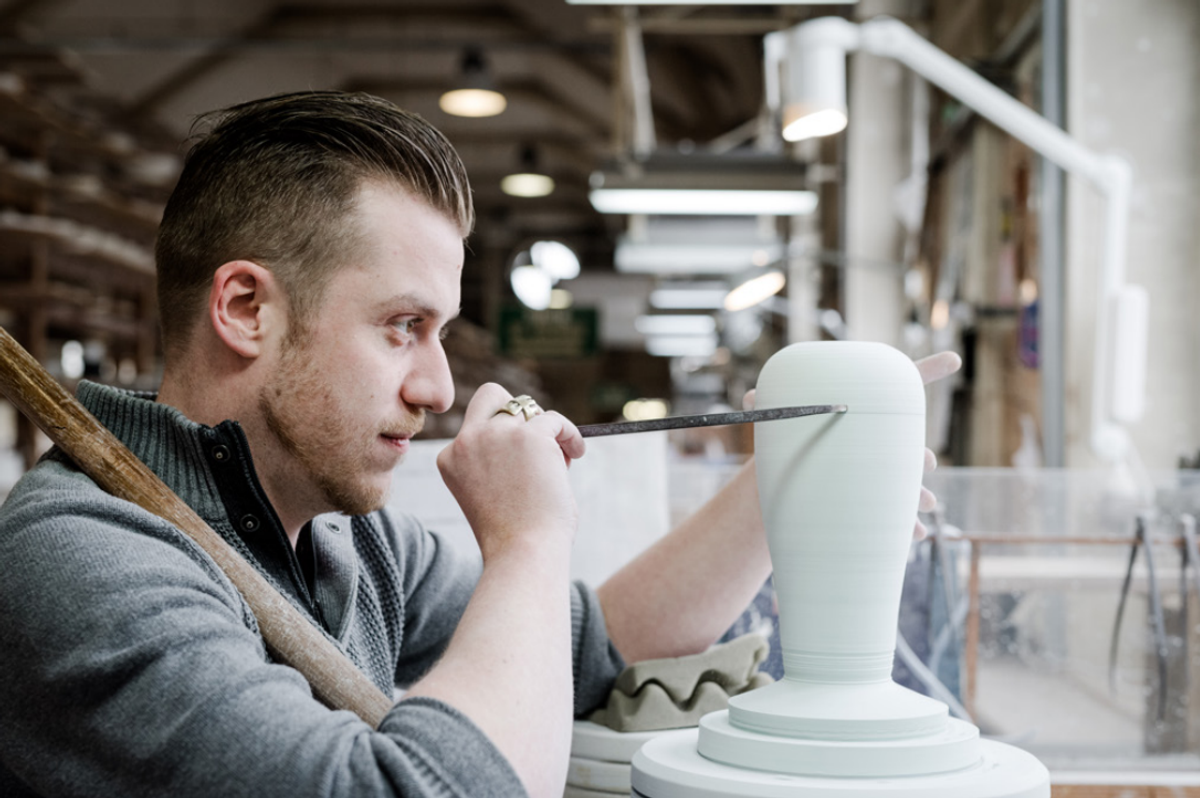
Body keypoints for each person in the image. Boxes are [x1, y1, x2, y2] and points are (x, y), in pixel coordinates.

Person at [0, 91, 959, 798]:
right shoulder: (86, 562)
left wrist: (782, 491)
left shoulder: (339, 538)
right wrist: (527, 543)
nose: (439, 388)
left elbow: (588, 647)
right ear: (246, 307)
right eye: (400, 326)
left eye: (441, 334)